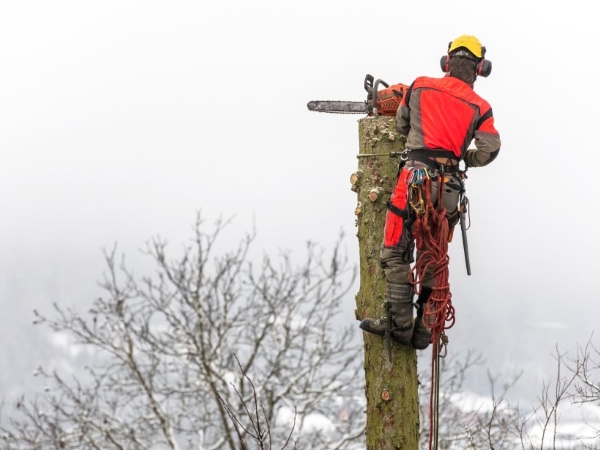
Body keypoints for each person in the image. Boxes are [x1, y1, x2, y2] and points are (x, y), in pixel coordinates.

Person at [359, 35, 501, 350]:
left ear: (447, 63)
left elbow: (400, 125)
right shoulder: (481, 106)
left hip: (414, 176)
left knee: (395, 250)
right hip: (448, 187)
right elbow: (490, 149)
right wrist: (466, 158)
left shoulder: (420, 85)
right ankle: (424, 329)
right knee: (433, 257)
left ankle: (399, 324)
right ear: (480, 68)